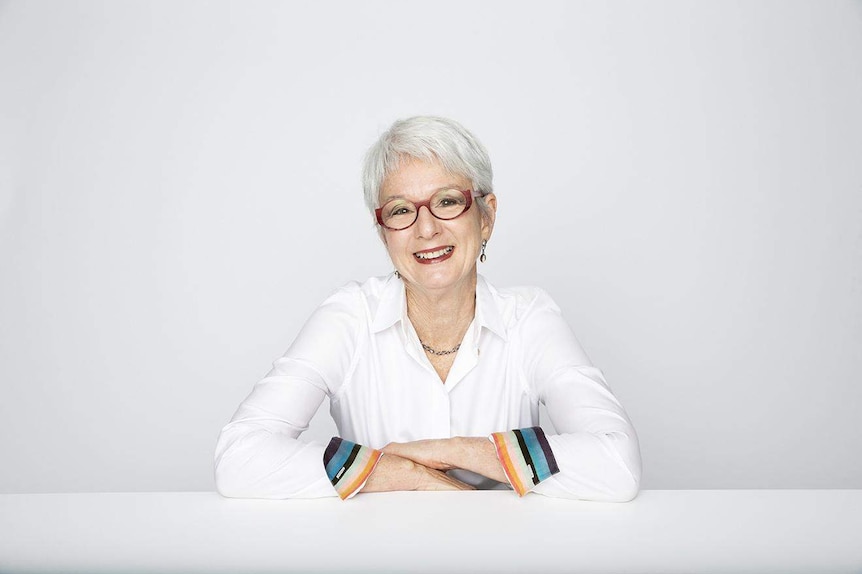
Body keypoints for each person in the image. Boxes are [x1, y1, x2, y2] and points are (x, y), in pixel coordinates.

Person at [214, 116, 641, 501]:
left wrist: (451, 451)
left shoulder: (529, 318)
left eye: (448, 201)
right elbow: (239, 456)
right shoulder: (349, 316)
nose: (426, 228)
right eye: (401, 210)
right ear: (383, 234)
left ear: (486, 217)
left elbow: (616, 463)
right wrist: (397, 471)